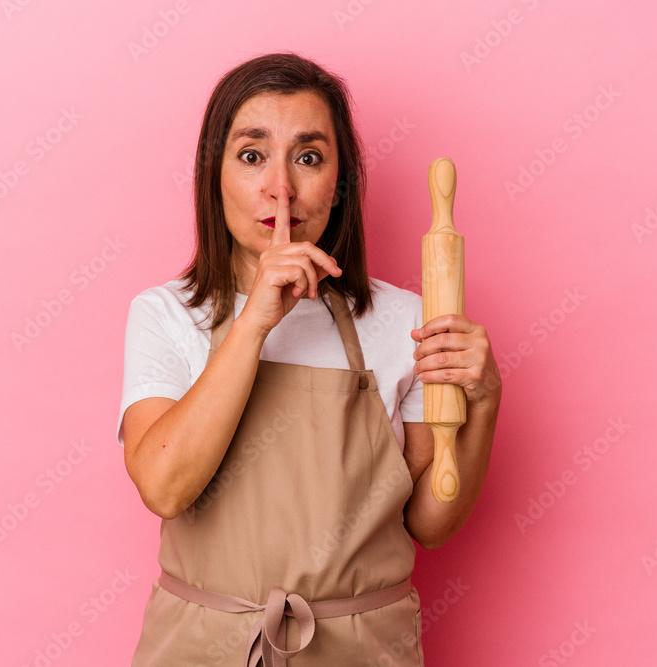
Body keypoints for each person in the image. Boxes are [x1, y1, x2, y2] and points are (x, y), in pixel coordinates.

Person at [118, 52, 501, 666]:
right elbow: (164, 486)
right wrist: (254, 325)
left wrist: (483, 403)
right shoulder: (167, 313)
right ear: (212, 176)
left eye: (309, 157)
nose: (281, 187)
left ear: (339, 182)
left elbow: (429, 523)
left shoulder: (403, 321)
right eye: (251, 155)